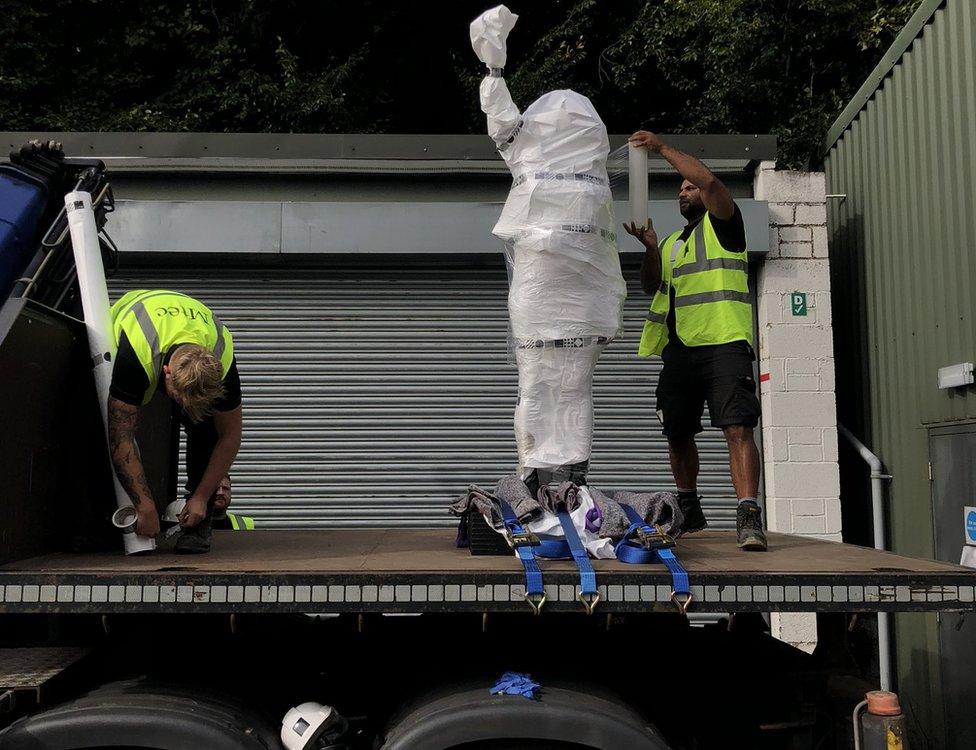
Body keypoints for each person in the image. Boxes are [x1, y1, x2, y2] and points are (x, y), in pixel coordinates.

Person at [624, 131, 766, 551]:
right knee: (677, 432)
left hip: (724, 343)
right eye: (680, 190)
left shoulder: (725, 224)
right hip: (681, 351)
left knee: (737, 427)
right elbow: (651, 285)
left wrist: (662, 148)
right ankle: (689, 507)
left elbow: (709, 183)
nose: (684, 191)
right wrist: (650, 248)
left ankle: (748, 514)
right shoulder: (670, 243)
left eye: (689, 186)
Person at [106, 289, 243, 553]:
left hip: (184, 329)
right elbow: (120, 436)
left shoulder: (222, 360)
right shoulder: (136, 354)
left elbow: (230, 436)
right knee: (108, 423)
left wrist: (201, 497)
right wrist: (144, 505)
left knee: (206, 425)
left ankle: (196, 526)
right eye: (178, 399)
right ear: (166, 373)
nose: (182, 408)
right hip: (128, 336)